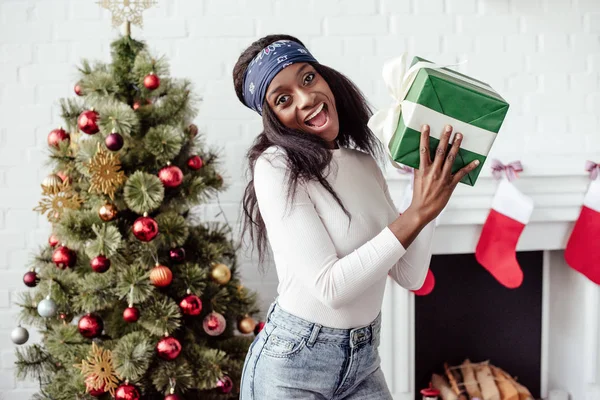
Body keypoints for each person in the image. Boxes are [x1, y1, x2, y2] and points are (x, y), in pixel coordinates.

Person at [231, 34, 479, 399]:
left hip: (362, 362)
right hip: (292, 367)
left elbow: (410, 275)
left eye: (308, 78)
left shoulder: (364, 164)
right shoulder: (275, 165)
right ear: (273, 119)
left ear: (326, 78)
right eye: (283, 99)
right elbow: (331, 287)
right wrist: (417, 212)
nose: (306, 98)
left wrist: (428, 192)